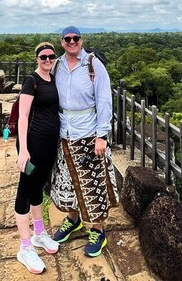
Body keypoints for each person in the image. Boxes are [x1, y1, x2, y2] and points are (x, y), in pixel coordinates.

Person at [50, 26, 119, 257]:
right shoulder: (57, 65)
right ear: (62, 42)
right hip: (64, 132)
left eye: (75, 38)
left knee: (93, 183)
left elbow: (104, 100)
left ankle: (98, 231)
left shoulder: (92, 65)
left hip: (88, 131)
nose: (72, 42)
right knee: (67, 181)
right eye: (67, 39)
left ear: (81, 40)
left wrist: (102, 136)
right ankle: (73, 219)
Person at [14, 42, 61, 274]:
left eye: (51, 56)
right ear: (37, 59)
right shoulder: (31, 81)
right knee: (25, 189)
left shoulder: (53, 79)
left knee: (38, 187)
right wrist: (23, 149)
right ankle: (24, 246)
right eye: (43, 57)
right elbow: (23, 116)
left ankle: (39, 233)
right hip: (32, 144)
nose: (47, 60)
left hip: (49, 145)